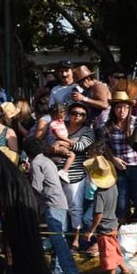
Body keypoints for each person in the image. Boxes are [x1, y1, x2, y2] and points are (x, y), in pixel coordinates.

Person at [23, 137, 80, 274]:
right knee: (59, 241)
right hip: (61, 203)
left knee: (58, 241)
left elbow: (36, 188)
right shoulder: (47, 160)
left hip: (52, 204)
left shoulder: (36, 163)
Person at [104, 90, 137, 252]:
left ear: (129, 108)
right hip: (120, 168)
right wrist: (113, 159)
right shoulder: (108, 126)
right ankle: (123, 239)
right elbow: (105, 147)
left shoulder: (135, 123)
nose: (122, 111)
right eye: (119, 107)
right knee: (122, 203)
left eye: (125, 107)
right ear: (114, 108)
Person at [82, 155, 136, 274]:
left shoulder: (100, 194)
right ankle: (126, 273)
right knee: (115, 251)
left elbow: (98, 215)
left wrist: (90, 230)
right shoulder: (114, 187)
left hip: (105, 228)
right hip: (113, 223)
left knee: (108, 256)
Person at [45, 101, 95, 248]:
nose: (77, 116)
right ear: (68, 114)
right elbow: (47, 145)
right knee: (55, 207)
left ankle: (75, 240)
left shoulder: (87, 131)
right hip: (55, 172)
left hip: (76, 175)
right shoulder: (59, 125)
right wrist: (56, 147)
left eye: (82, 114)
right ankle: (57, 239)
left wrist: (61, 143)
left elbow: (81, 146)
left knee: (75, 207)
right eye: (74, 113)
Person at [71, 65, 111, 129]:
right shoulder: (89, 89)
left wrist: (84, 98)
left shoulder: (98, 87)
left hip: (103, 125)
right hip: (94, 124)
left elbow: (104, 104)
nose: (80, 86)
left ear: (88, 79)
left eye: (80, 83)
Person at [45, 103, 76, 182]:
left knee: (61, 157)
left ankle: (56, 161)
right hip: (56, 142)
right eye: (58, 118)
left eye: (63, 117)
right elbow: (58, 135)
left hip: (62, 141)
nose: (61, 119)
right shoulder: (53, 123)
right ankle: (64, 171)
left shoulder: (61, 122)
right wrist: (68, 140)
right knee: (72, 155)